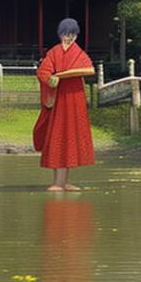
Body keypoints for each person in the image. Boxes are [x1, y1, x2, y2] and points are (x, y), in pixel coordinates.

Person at [33, 18, 95, 191]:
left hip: (75, 100)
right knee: (58, 137)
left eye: (72, 34)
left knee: (71, 138)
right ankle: (57, 182)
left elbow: (89, 69)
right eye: (66, 34)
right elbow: (43, 71)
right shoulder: (54, 53)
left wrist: (63, 75)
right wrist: (50, 79)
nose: (69, 38)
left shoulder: (79, 53)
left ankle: (64, 182)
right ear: (61, 35)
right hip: (59, 100)